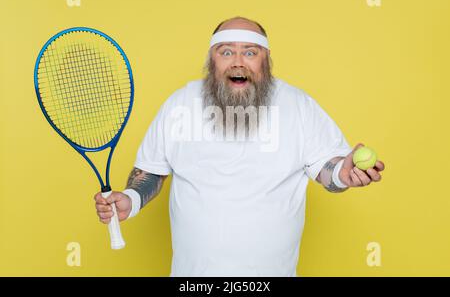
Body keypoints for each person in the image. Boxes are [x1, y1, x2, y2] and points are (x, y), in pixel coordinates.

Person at [94, 16, 385, 276]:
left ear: (266, 60)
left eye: (250, 52)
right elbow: (152, 171)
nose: (238, 62)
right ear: (212, 59)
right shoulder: (180, 104)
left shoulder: (299, 106)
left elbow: (327, 168)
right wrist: (131, 199)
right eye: (226, 52)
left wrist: (342, 174)